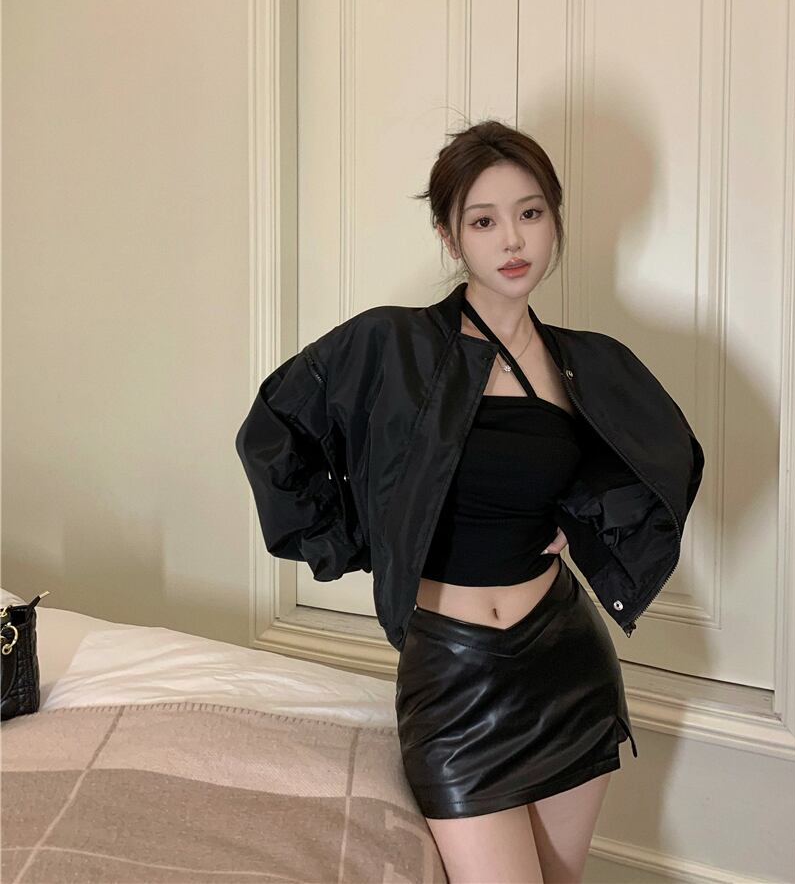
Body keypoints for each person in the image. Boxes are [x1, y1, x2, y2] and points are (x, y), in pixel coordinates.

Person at [235, 120, 704, 884]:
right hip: (453, 678)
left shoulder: (586, 362)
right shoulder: (390, 346)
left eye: (530, 213)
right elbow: (273, 434)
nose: (512, 239)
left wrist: (581, 519)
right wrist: (363, 537)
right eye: (483, 221)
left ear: (554, 220)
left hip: (567, 664)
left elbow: (664, 458)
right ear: (450, 237)